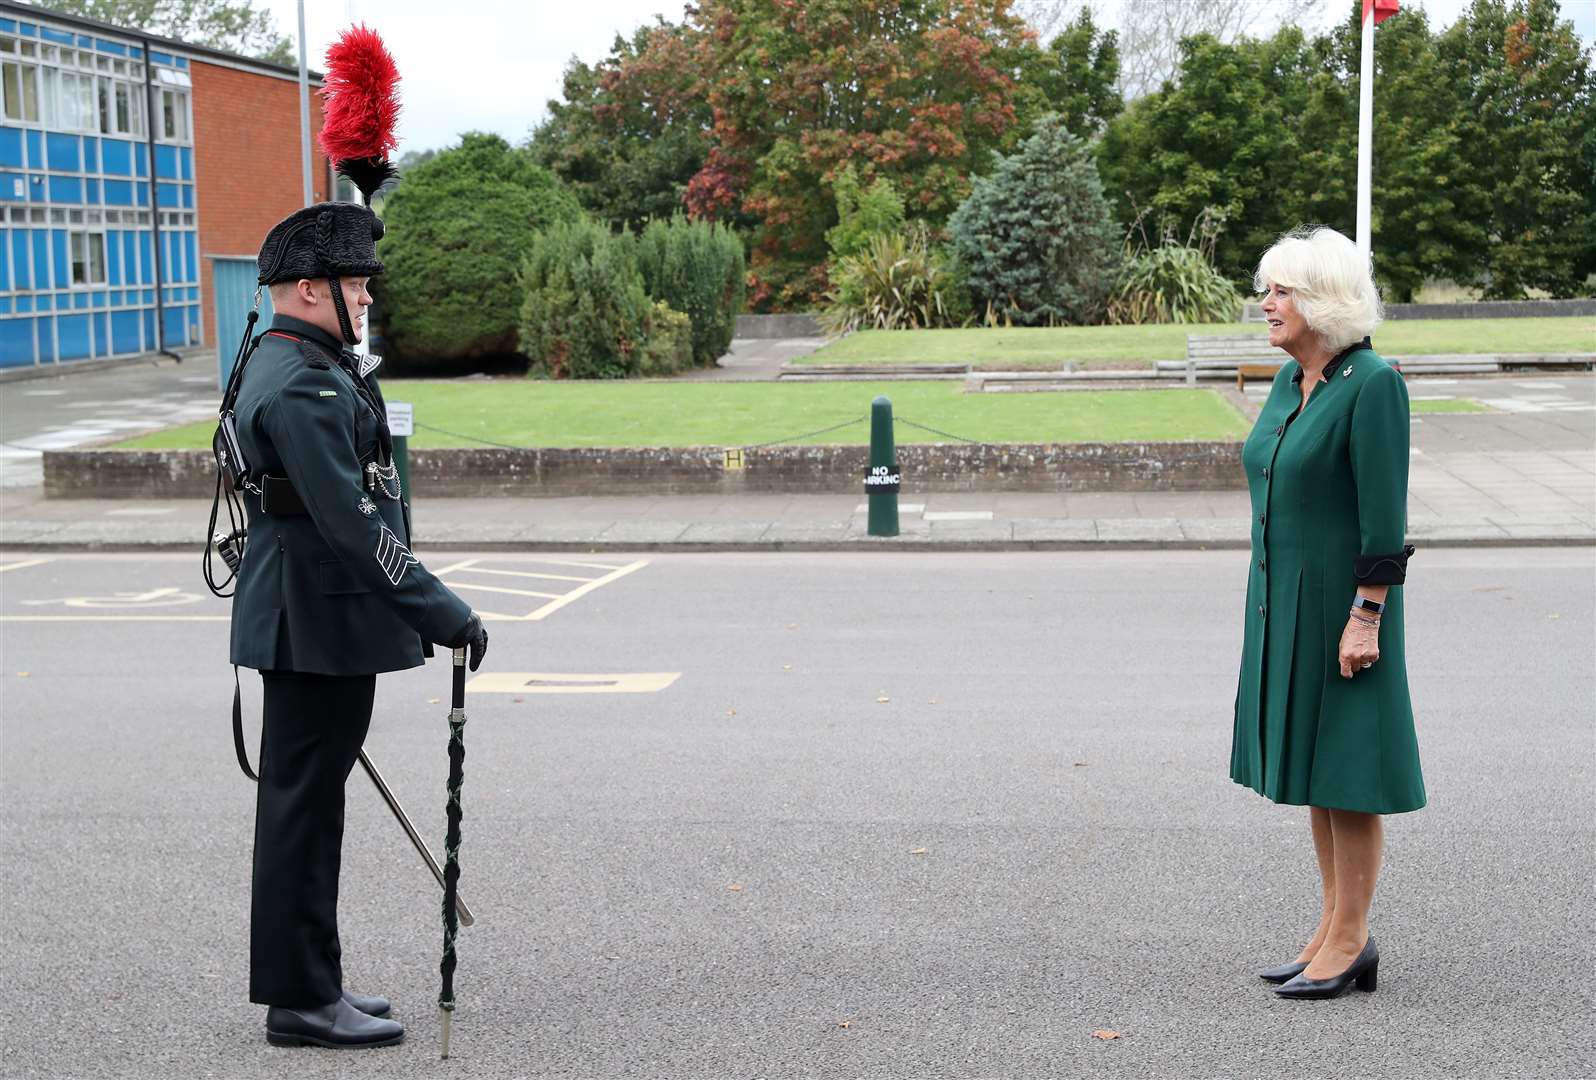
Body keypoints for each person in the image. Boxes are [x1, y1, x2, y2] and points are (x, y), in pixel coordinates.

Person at [228, 201, 489, 1047]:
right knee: (301, 814)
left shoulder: (305, 358)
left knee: (310, 809)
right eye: (354, 282)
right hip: (314, 623)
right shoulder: (301, 379)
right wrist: (438, 607)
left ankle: (314, 983)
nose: (368, 296)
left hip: (316, 619)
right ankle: (301, 1000)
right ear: (308, 289)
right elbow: (348, 523)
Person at [1231, 225, 1424, 1000]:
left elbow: (1384, 519)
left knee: (1348, 771)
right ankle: (1330, 926)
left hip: (1347, 608)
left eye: (1281, 291)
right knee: (1317, 771)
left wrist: (1366, 615)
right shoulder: (1289, 382)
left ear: (1324, 301)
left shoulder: (1373, 383)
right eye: (1266, 288)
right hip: (1283, 603)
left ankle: (1351, 938)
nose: (1266, 303)